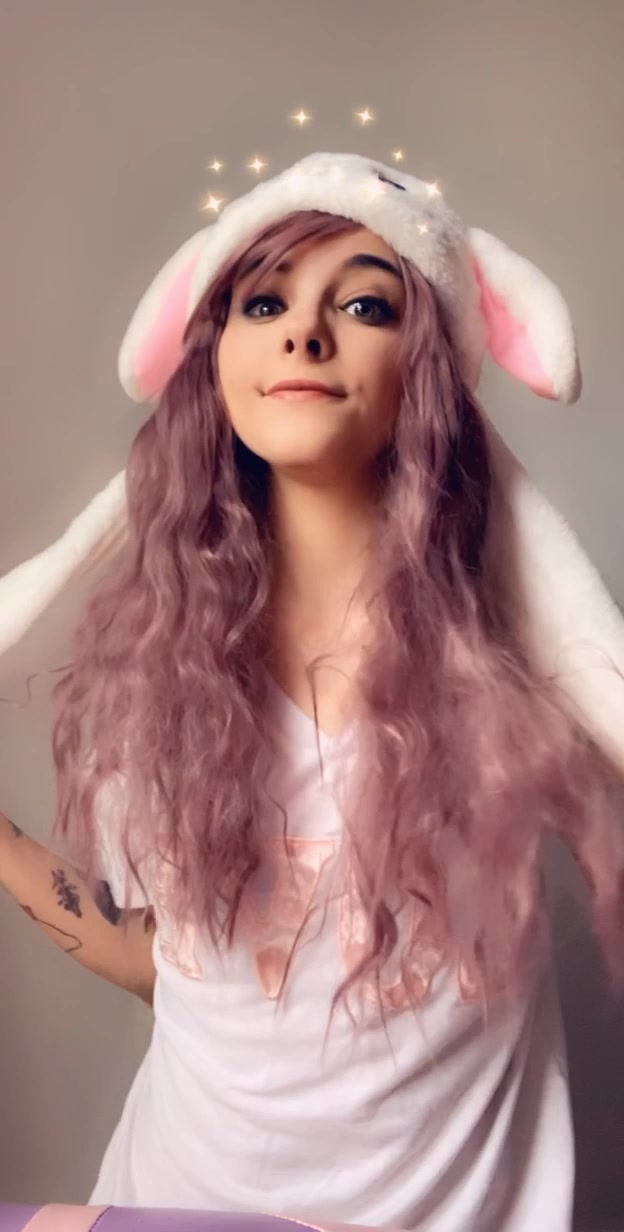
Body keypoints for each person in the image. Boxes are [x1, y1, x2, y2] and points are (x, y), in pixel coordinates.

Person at [2, 150, 624, 1232]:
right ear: (215, 354)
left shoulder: (528, 672)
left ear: (429, 367)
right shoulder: (154, 675)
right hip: (171, 1212)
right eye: (264, 302)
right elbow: (179, 971)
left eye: (365, 304)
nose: (303, 332)